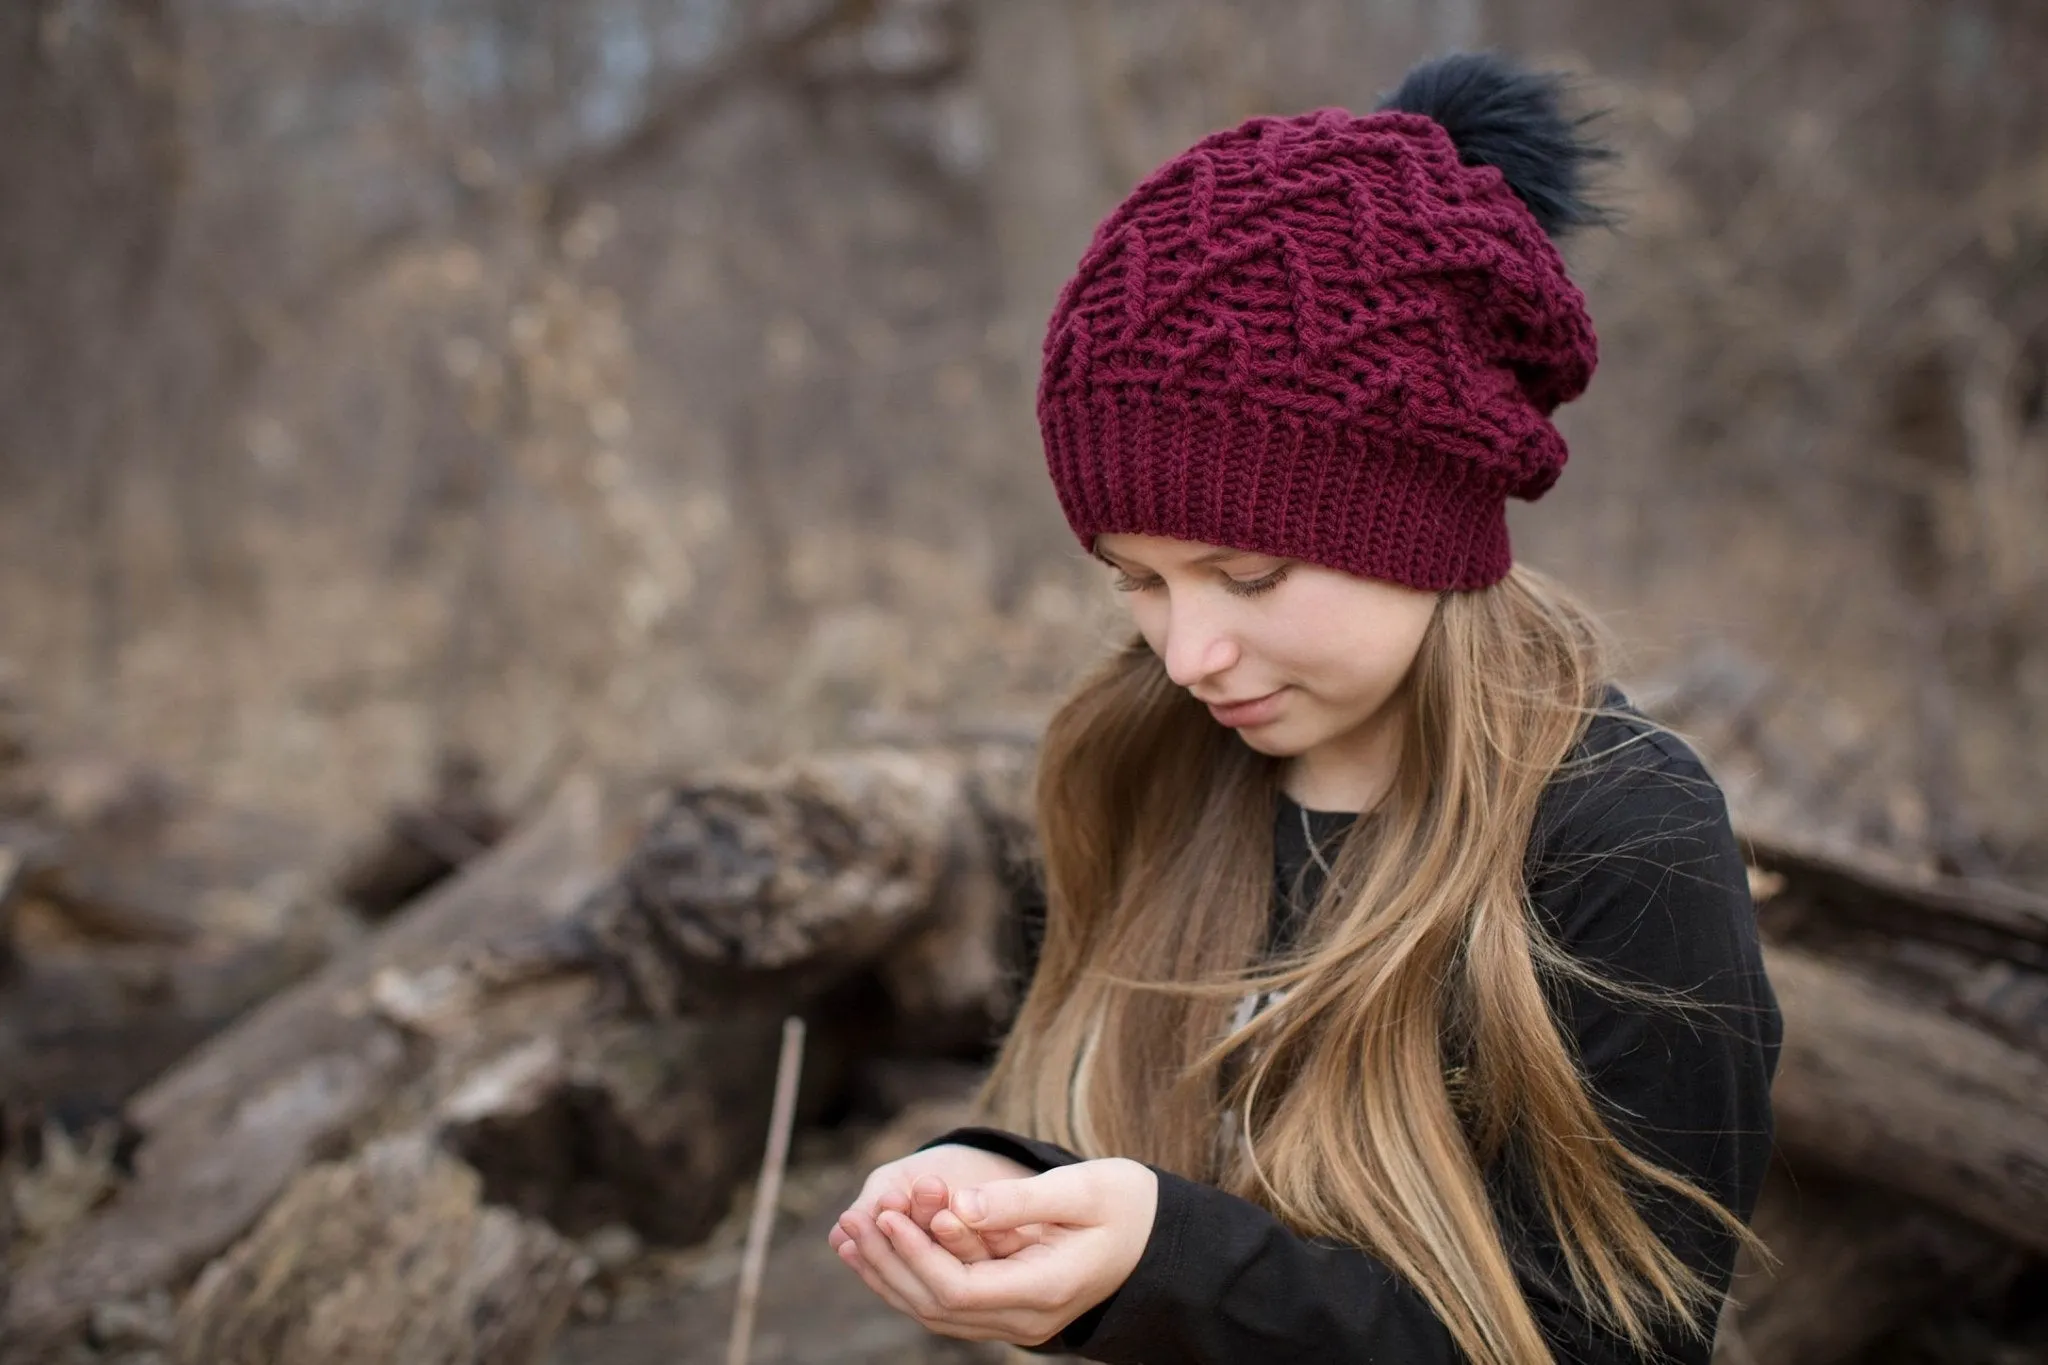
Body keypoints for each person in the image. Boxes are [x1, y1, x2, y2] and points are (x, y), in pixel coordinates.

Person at [827, 50, 1781, 1365]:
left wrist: (1171, 1271)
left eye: (1249, 573)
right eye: (1140, 581)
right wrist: (994, 1173)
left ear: (1427, 520)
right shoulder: (1149, 767)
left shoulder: (1620, 843)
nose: (1189, 653)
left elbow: (1607, 1346)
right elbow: (1154, 1167)